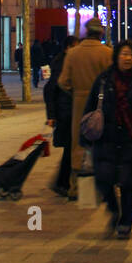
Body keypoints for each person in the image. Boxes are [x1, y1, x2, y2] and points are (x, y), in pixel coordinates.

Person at [83, 40, 132, 239]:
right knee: (104, 180)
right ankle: (114, 211)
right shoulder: (104, 80)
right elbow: (90, 106)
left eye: (131, 55)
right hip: (107, 137)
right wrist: (86, 136)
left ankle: (126, 223)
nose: (127, 58)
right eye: (123, 54)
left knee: (127, 184)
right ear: (116, 56)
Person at [58, 19, 112, 200]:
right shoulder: (107, 53)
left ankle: (75, 188)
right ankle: (101, 188)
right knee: (101, 142)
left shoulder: (73, 53)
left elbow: (62, 82)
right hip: (100, 104)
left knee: (78, 145)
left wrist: (76, 91)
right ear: (101, 33)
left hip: (79, 103)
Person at [45, 35, 76, 197]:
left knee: (70, 149)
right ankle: (62, 182)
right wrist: (51, 115)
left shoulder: (64, 61)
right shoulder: (62, 64)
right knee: (70, 148)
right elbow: (51, 90)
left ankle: (63, 181)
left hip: (67, 111)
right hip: (65, 113)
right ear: (68, 47)